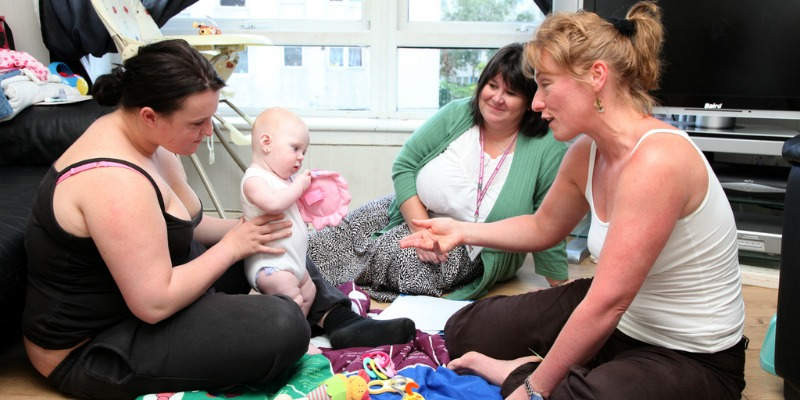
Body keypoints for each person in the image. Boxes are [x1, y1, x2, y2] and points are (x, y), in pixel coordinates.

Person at [21, 39, 414, 400]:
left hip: (151, 292)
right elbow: (154, 303)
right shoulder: (113, 180)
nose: (208, 132)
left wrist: (252, 227)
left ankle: (337, 317)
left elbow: (185, 225)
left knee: (272, 233)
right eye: (197, 123)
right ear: (149, 115)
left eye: (211, 118)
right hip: (98, 348)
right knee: (281, 325)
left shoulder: (150, 142)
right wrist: (232, 247)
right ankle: (305, 321)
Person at [400, 2, 747, 399]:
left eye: (545, 84)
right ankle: (565, 367)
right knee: (467, 329)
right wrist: (460, 231)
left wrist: (534, 387)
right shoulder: (587, 151)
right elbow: (543, 226)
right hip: (621, 323)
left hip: (690, 356)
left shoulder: (658, 161)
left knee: (565, 393)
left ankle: (542, 372)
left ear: (596, 77)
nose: (535, 103)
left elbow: (608, 303)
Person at [308, 42, 569, 302]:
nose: (497, 98)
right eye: (492, 86)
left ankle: (317, 283)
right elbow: (405, 165)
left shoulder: (547, 146)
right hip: (410, 212)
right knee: (317, 242)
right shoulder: (458, 113)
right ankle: (296, 273)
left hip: (472, 246)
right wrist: (420, 229)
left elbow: (550, 220)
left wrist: (560, 285)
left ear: (530, 101)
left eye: (511, 93)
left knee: (406, 264)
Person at [241, 107, 315, 316]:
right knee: (293, 300)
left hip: (293, 262)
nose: (300, 157)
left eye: (304, 152)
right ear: (266, 143)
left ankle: (300, 332)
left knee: (309, 293)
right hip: (271, 265)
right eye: (295, 148)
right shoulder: (254, 179)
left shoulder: (285, 181)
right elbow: (274, 204)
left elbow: (291, 210)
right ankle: (295, 337)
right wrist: (298, 187)